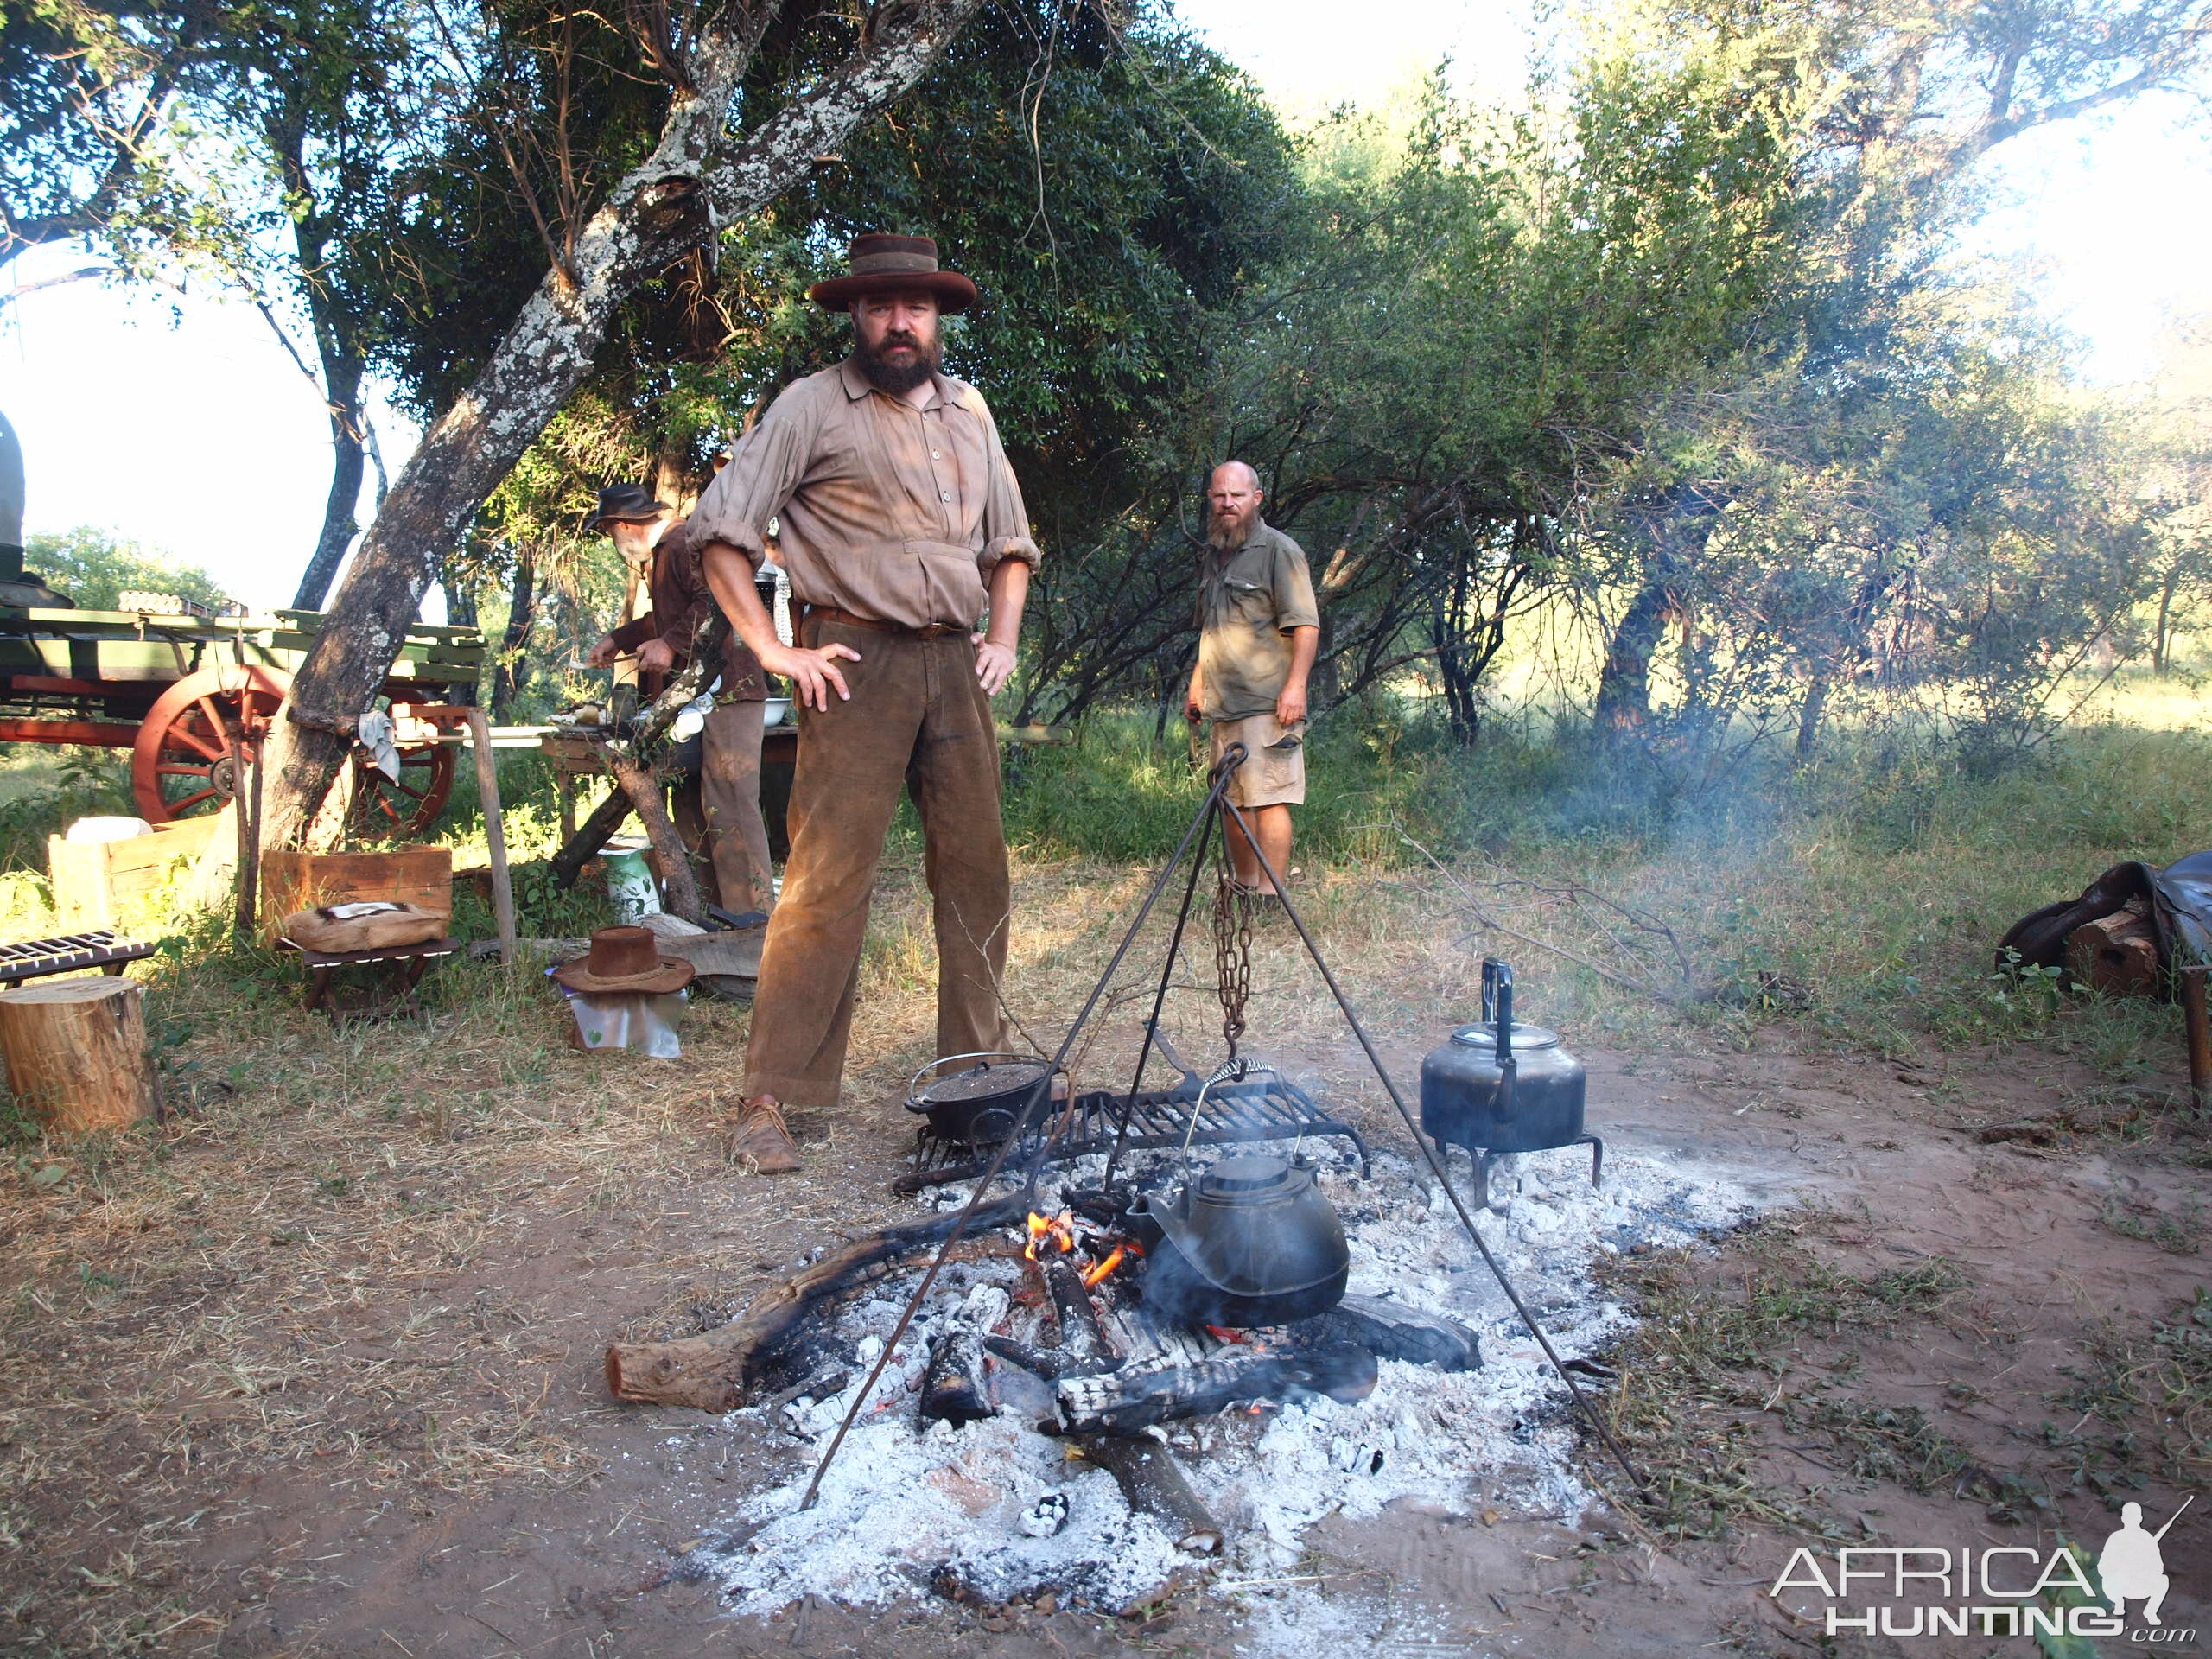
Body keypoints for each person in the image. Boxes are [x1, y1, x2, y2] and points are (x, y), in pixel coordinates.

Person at [688, 232, 1039, 1173]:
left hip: (955, 668)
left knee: (977, 872)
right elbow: (719, 532)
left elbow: (1009, 543)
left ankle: (977, 1069)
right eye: (881, 305)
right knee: (824, 885)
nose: (898, 322)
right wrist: (771, 648)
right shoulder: (811, 406)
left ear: (936, 317)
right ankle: (772, 1099)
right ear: (856, 313)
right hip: (854, 664)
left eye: (915, 306)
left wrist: (1001, 637)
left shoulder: (971, 410)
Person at [583, 485, 775, 917]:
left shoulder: (679, 542)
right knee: (690, 801)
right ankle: (704, 911)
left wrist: (669, 643)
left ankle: (754, 919)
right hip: (696, 696)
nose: (613, 541)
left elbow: (716, 603)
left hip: (728, 691)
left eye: (610, 530)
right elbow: (668, 615)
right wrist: (621, 638)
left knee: (730, 802)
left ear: (623, 526)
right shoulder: (665, 551)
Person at [1183, 461, 1319, 897]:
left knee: (1269, 799)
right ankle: (1244, 886)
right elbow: (1213, 628)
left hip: (1268, 700)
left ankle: (1270, 895)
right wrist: (1197, 683)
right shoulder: (1214, 553)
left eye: (1237, 495)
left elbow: (1305, 625)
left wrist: (1295, 686)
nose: (1228, 504)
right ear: (1210, 499)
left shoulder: (1280, 551)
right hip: (1224, 704)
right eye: (1220, 495)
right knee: (1232, 800)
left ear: (1256, 499)